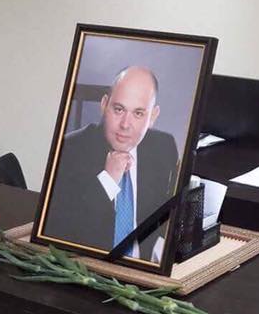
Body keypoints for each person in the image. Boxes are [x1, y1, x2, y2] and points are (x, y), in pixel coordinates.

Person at [44, 66, 179, 261]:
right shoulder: (69, 149)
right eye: (119, 109)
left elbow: (165, 212)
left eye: (138, 113)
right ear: (104, 105)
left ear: (153, 116)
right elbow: (62, 231)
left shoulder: (163, 147)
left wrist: (160, 244)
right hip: (90, 267)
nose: (125, 124)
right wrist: (108, 180)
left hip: (143, 268)